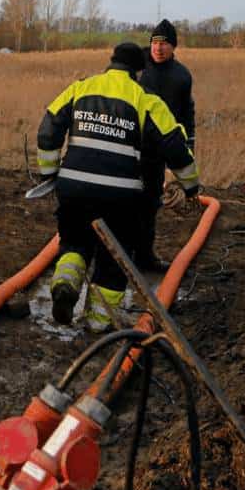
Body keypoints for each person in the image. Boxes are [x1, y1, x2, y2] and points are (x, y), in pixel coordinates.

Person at [36, 43, 199, 332]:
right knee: (114, 256)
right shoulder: (145, 99)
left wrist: (49, 173)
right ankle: (98, 323)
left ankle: (64, 284)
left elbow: (49, 128)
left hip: (74, 189)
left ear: (111, 62)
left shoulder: (80, 88)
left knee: (74, 242)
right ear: (139, 71)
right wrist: (191, 187)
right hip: (120, 196)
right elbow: (174, 146)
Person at [138, 19, 196, 270]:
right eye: (155, 42)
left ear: (173, 47)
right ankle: (114, 255)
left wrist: (187, 151)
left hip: (158, 151)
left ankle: (144, 257)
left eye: (164, 43)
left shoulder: (182, 76)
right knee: (121, 201)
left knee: (150, 203)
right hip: (131, 145)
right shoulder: (137, 66)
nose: (159, 48)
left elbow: (186, 117)